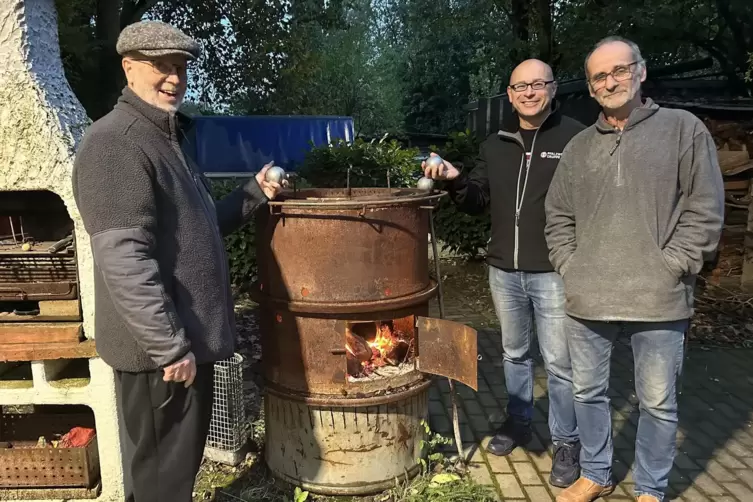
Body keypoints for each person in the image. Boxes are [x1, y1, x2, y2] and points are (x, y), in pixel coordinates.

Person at [71, 21, 284, 502]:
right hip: (160, 360)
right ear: (129, 67)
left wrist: (255, 193)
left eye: (181, 67)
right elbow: (124, 260)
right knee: (161, 484)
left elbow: (199, 230)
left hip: (181, 349)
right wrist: (170, 347)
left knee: (172, 477)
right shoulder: (116, 143)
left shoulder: (165, 138)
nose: (174, 77)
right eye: (161, 66)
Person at [545, 36, 724, 502]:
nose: (611, 81)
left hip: (659, 297)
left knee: (658, 404)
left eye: (620, 70)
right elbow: (558, 215)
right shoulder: (579, 147)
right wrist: (570, 264)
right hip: (588, 297)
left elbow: (705, 210)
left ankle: (650, 488)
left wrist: (674, 265)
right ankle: (597, 474)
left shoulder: (684, 130)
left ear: (641, 72)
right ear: (590, 87)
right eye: (600, 76)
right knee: (587, 394)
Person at [423, 59, 585, 488]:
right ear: (510, 95)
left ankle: (567, 441)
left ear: (552, 88)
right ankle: (518, 423)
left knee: (559, 362)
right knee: (515, 354)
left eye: (537, 84)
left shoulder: (575, 137)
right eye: (520, 86)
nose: (529, 92)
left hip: (553, 269)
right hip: (504, 270)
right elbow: (476, 199)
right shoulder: (495, 143)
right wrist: (455, 180)